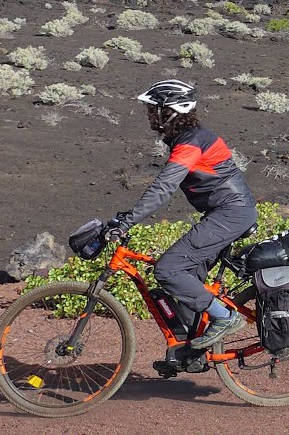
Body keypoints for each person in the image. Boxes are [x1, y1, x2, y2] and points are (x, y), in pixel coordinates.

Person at [106, 79, 258, 349]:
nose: (150, 115)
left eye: (154, 109)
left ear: (170, 112)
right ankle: (192, 352)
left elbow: (164, 188)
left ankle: (225, 318)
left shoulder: (190, 143)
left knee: (167, 269)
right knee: (186, 278)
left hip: (230, 213)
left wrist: (127, 222)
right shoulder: (187, 138)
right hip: (226, 212)